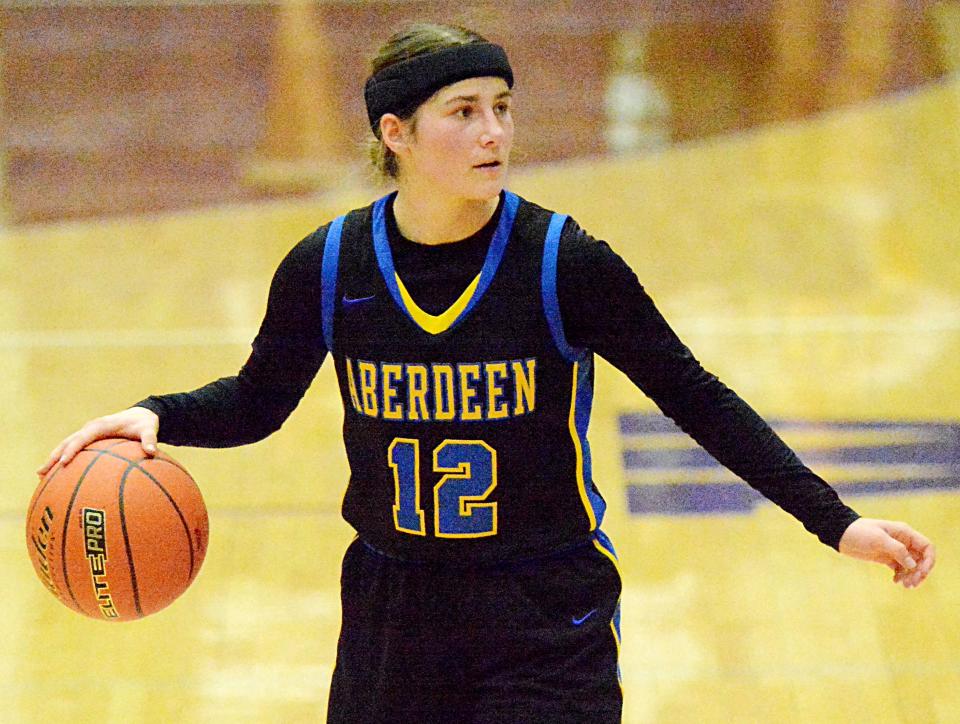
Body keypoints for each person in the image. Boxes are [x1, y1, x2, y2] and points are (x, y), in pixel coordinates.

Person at [39, 22, 935, 724]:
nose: (494, 131)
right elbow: (257, 401)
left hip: (544, 611)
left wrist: (837, 522)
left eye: (502, 105)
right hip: (394, 613)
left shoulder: (562, 262)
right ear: (395, 132)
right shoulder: (331, 266)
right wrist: (154, 414)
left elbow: (696, 399)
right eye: (462, 111)